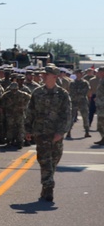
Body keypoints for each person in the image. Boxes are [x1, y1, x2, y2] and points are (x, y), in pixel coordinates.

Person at [25, 65, 72, 203]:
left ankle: (46, 185)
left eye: (47, 74)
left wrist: (61, 132)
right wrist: (27, 129)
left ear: (55, 77)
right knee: (45, 160)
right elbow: (30, 112)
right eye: (43, 74)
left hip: (56, 133)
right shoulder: (37, 92)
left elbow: (67, 115)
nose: (43, 76)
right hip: (41, 132)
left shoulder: (62, 94)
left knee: (54, 160)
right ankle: (49, 186)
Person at [68, 69, 92, 139]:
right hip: (74, 101)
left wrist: (78, 93)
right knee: (71, 117)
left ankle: (87, 131)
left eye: (80, 73)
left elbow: (85, 91)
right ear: (75, 74)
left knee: (85, 116)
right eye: (77, 73)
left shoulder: (85, 83)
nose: (79, 75)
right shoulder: (72, 83)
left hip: (83, 101)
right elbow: (71, 91)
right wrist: (78, 93)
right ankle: (68, 132)